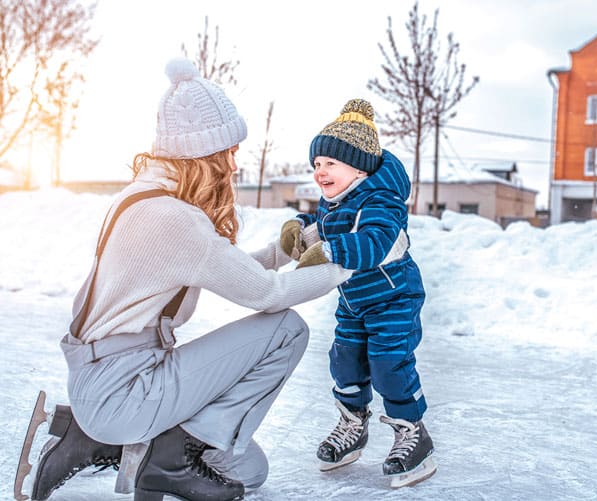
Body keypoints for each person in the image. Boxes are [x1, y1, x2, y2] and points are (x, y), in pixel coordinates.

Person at [16, 58, 352, 501]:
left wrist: (283, 251)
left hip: (107, 379)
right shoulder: (175, 219)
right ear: (205, 156)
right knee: (286, 329)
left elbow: (221, 266)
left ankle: (96, 437)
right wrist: (347, 262)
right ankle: (166, 454)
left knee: (251, 469)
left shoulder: (141, 198)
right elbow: (266, 295)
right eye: (229, 153)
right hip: (126, 388)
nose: (234, 166)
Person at [279, 98, 437, 488]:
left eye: (330, 163)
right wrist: (301, 229)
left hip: (394, 298)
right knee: (344, 361)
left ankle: (413, 433)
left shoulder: (381, 200)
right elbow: (326, 224)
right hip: (354, 300)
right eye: (317, 164)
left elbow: (376, 242)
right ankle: (353, 424)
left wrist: (330, 250)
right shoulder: (339, 200)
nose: (320, 172)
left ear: (358, 166)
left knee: (388, 363)